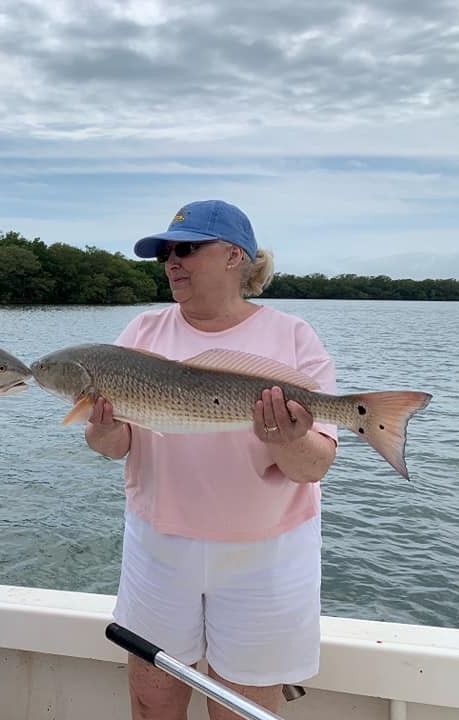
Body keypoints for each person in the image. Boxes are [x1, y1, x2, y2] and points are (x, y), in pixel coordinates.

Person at [85, 200, 338, 720]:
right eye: (166, 253)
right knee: (151, 698)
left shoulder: (293, 337)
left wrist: (285, 438)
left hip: (266, 556)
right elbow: (114, 448)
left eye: (188, 248)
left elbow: (312, 468)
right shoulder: (141, 334)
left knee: (240, 708)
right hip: (158, 544)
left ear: (234, 256)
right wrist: (104, 429)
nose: (172, 261)